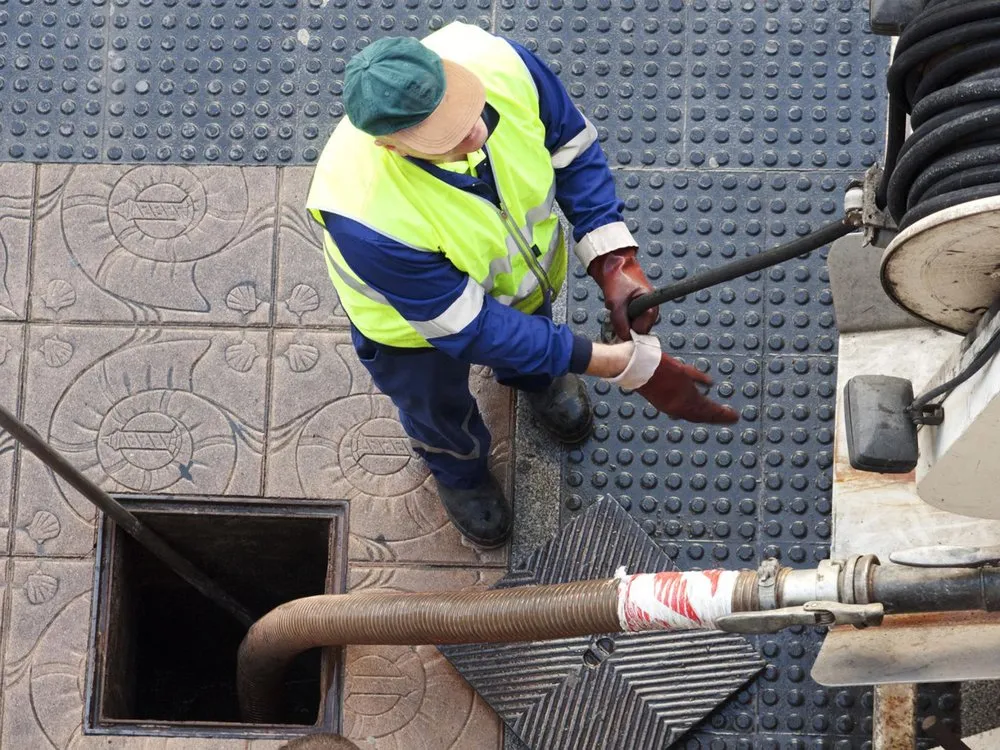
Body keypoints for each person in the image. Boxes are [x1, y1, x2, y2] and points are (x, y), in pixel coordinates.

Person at [306, 22, 737, 549]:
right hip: (410, 335)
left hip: (521, 279)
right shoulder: (363, 214)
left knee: (532, 344)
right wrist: (625, 365)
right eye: (447, 137)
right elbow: (472, 328)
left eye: (469, 108)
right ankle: (460, 473)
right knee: (438, 410)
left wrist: (614, 261)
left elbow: (573, 152)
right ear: (390, 146)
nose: (476, 133)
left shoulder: (498, 62)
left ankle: (538, 379)